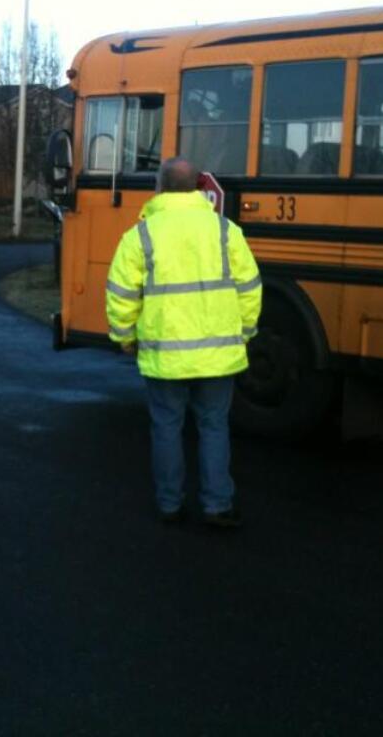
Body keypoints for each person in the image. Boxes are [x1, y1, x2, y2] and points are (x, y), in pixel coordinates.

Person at [105, 157, 262, 528]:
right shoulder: (225, 231)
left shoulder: (141, 235)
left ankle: (170, 505)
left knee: (166, 426)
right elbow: (250, 288)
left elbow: (121, 294)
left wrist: (124, 336)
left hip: (164, 354)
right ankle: (217, 506)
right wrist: (245, 333)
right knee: (213, 426)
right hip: (218, 356)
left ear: (158, 188)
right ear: (198, 187)